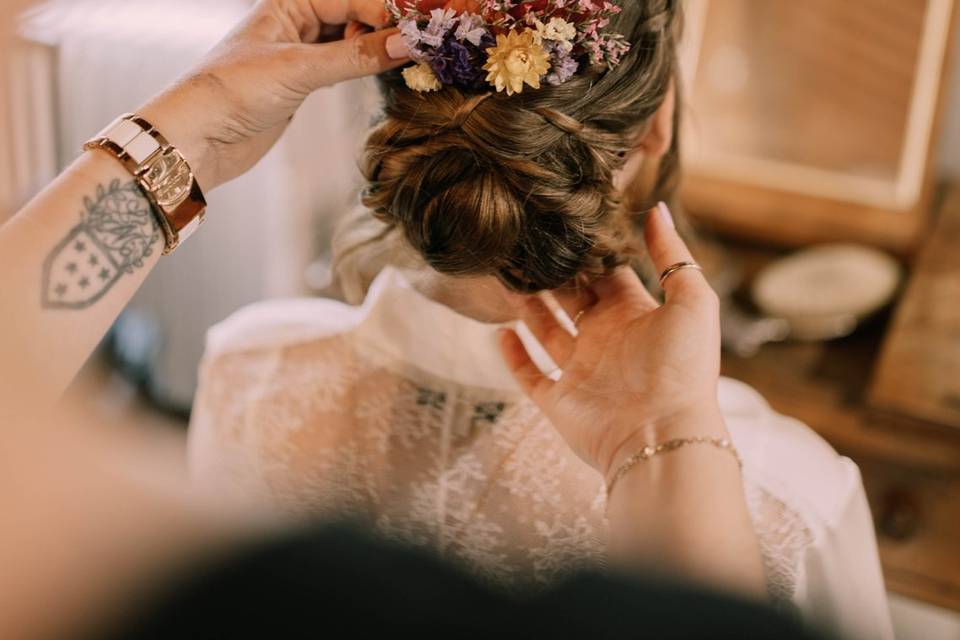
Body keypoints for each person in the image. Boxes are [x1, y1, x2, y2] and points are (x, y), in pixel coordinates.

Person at [0, 1, 871, 639]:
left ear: (386, 97)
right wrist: (672, 444)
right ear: (657, 124)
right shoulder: (796, 501)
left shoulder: (244, 373)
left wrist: (186, 129)